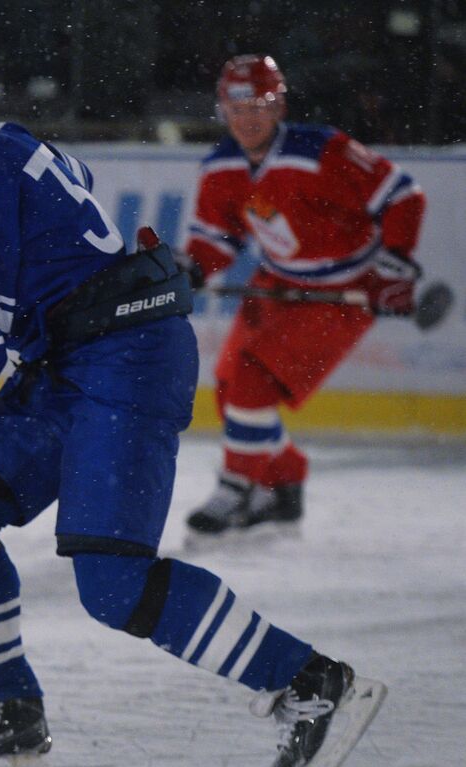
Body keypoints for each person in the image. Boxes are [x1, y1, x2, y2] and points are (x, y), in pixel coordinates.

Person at [0, 48, 385, 767]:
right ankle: (10, 709)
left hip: (120, 360)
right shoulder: (0, 141)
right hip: (80, 358)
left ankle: (312, 682)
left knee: (114, 585)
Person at [181, 54, 426, 541]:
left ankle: (238, 487)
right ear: (222, 110)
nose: (249, 116)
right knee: (233, 386)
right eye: (238, 105)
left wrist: (394, 263)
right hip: (277, 285)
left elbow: (402, 196)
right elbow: (216, 240)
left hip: (342, 293)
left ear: (280, 106)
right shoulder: (221, 167)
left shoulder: (324, 150)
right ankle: (283, 488)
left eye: (261, 104)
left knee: (253, 381)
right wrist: (190, 269)